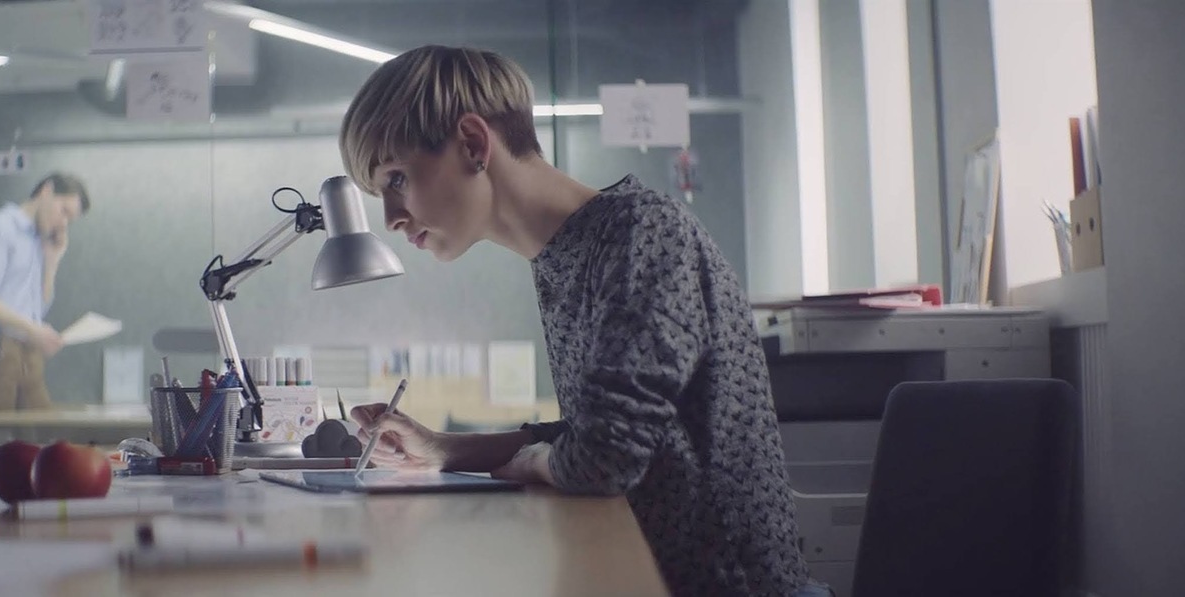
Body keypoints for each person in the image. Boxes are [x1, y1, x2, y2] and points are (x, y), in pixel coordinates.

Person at [340, 46, 829, 597]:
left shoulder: (640, 235)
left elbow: (603, 459)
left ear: (474, 145)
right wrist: (443, 449)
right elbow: (593, 433)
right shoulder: (563, 258)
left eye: (397, 178)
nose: (391, 217)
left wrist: (533, 465)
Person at [0, 173, 89, 412]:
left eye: (71, 220)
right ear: (46, 191)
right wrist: (32, 329)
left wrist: (52, 260)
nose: (64, 223)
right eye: (64, 211)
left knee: (42, 437)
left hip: (26, 352)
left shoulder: (37, 242)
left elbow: (38, 309)